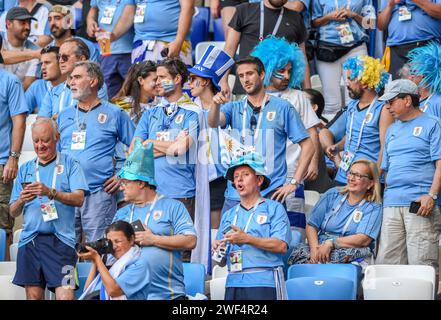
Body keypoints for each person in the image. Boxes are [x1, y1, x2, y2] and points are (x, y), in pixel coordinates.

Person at [208, 56, 314, 214]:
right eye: (241, 76)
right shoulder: (234, 107)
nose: (245, 80)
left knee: (268, 239)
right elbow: (213, 122)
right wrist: (215, 105)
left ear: (262, 75)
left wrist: (294, 182)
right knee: (228, 238)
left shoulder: (283, 108)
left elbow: (308, 145)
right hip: (236, 194)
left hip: (269, 193)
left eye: (249, 74)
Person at [9, 118, 88, 300]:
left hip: (63, 243)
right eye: (36, 141)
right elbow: (13, 212)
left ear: (57, 137)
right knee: (34, 297)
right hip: (31, 242)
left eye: (45, 140)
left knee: (66, 296)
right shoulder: (25, 168)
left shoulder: (71, 164)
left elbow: (79, 198)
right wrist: (21, 200)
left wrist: (51, 192)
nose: (40, 146)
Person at [56, 61, 135, 243]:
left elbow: (139, 147)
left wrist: (122, 175)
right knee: (65, 250)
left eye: (77, 77)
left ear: (93, 81)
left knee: (100, 249)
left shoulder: (115, 113)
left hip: (98, 194)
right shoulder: (64, 115)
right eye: (70, 78)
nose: (71, 83)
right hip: (66, 195)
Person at [250, 36, 320, 233]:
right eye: (281, 71)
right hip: (260, 173)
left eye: (290, 71)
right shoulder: (255, 98)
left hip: (292, 173)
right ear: (268, 69)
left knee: (293, 228)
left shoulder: (298, 97)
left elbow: (311, 130)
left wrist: (313, 162)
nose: (287, 76)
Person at [112, 141, 197, 300]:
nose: (121, 187)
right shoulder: (121, 213)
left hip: (169, 296)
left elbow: (190, 240)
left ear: (141, 182)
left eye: (126, 182)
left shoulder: (173, 206)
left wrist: (154, 239)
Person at [375, 79, 441, 281]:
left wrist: (431, 195)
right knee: (387, 264)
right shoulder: (392, 129)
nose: (387, 106)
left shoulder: (433, 123)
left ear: (407, 100)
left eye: (391, 101)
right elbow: (385, 168)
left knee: (422, 264)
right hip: (391, 202)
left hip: (419, 203)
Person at [213, 152, 291, 300]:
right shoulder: (229, 215)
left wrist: (247, 239)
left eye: (245, 174)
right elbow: (220, 262)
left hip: (264, 281)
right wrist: (217, 249)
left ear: (259, 179)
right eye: (236, 177)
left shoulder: (274, 208)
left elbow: (281, 246)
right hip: (233, 282)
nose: (239, 180)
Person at [132, 58, 200, 219]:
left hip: (180, 192)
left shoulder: (193, 112)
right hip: (150, 193)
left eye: (162, 78)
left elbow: (180, 149)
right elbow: (134, 151)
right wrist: (169, 146)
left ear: (177, 79)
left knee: (179, 242)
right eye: (156, 78)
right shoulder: (150, 113)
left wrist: (149, 143)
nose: (157, 83)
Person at [288, 159, 382, 264]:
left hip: (348, 249)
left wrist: (332, 243)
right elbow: (311, 225)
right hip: (320, 245)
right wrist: (315, 250)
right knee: (298, 253)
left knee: (339, 257)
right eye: (350, 173)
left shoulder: (373, 207)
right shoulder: (332, 194)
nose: (351, 178)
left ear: (370, 183)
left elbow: (363, 239)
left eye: (358, 175)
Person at [324, 55, 393, 186]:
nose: (347, 82)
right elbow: (351, 134)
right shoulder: (352, 106)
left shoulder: (383, 109)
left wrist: (375, 180)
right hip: (344, 174)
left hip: (366, 179)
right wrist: (337, 147)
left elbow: (385, 147)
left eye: (351, 78)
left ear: (366, 82)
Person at [187, 44, 235, 229]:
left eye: (193, 79)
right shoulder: (188, 107)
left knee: (215, 231)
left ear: (206, 81)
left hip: (217, 177)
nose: (189, 83)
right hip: (191, 175)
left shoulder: (227, 107)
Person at [220, 0, 311, 96]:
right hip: (247, 88)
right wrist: (223, 81)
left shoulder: (295, 18)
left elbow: (302, 58)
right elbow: (229, 49)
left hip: (283, 92)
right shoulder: (244, 10)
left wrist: (308, 91)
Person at [312, 0, 375, 118]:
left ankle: (355, 133)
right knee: (331, 103)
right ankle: (334, 134)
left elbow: (371, 24)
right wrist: (329, 17)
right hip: (327, 49)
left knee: (356, 98)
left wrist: (354, 15)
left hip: (356, 47)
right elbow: (314, 23)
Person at [78, 220, 151, 300]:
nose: (114, 246)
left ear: (131, 240)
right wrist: (95, 261)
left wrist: (97, 259)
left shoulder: (140, 264)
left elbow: (113, 291)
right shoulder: (109, 262)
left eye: (118, 241)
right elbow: (87, 291)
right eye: (110, 243)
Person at [38, 37, 108, 119]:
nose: (60, 61)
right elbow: (41, 122)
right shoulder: (53, 92)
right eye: (58, 57)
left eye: (65, 57)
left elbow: (96, 118)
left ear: (82, 59)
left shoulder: (97, 86)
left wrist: (59, 117)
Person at [0, 66, 27, 258]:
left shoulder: (10, 81)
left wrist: (13, 158)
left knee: (3, 226)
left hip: (2, 163)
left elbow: (19, 120)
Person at [378, 0, 441, 80]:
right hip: (396, 50)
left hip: (426, 47)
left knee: (425, 88)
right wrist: (390, 5)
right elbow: (380, 25)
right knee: (397, 89)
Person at [87, 0, 135, 98]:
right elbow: (93, 8)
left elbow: (129, 15)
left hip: (128, 51)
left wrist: (113, 36)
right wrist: (90, 22)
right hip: (106, 51)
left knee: (133, 89)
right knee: (108, 91)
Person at [131, 0, 195, 65]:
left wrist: (178, 41)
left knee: (174, 74)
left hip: (171, 42)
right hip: (141, 42)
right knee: (140, 74)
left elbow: (188, 7)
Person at [0, 6, 40, 90]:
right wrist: (33, 54)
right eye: (23, 22)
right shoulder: (35, 53)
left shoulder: (36, 49)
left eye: (29, 23)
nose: (28, 27)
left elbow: (28, 85)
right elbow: (2, 57)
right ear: (8, 24)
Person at [112, 60, 158, 125]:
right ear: (141, 80)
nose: (159, 82)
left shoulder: (159, 104)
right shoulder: (122, 105)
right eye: (155, 80)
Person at [25, 46, 66, 114]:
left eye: (47, 63)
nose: (42, 67)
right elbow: (20, 113)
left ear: (61, 63)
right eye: (41, 63)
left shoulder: (73, 85)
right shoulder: (37, 85)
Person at [407, 41, 441, 119]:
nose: (409, 77)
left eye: (413, 72)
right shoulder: (410, 101)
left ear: (422, 75)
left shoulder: (438, 102)